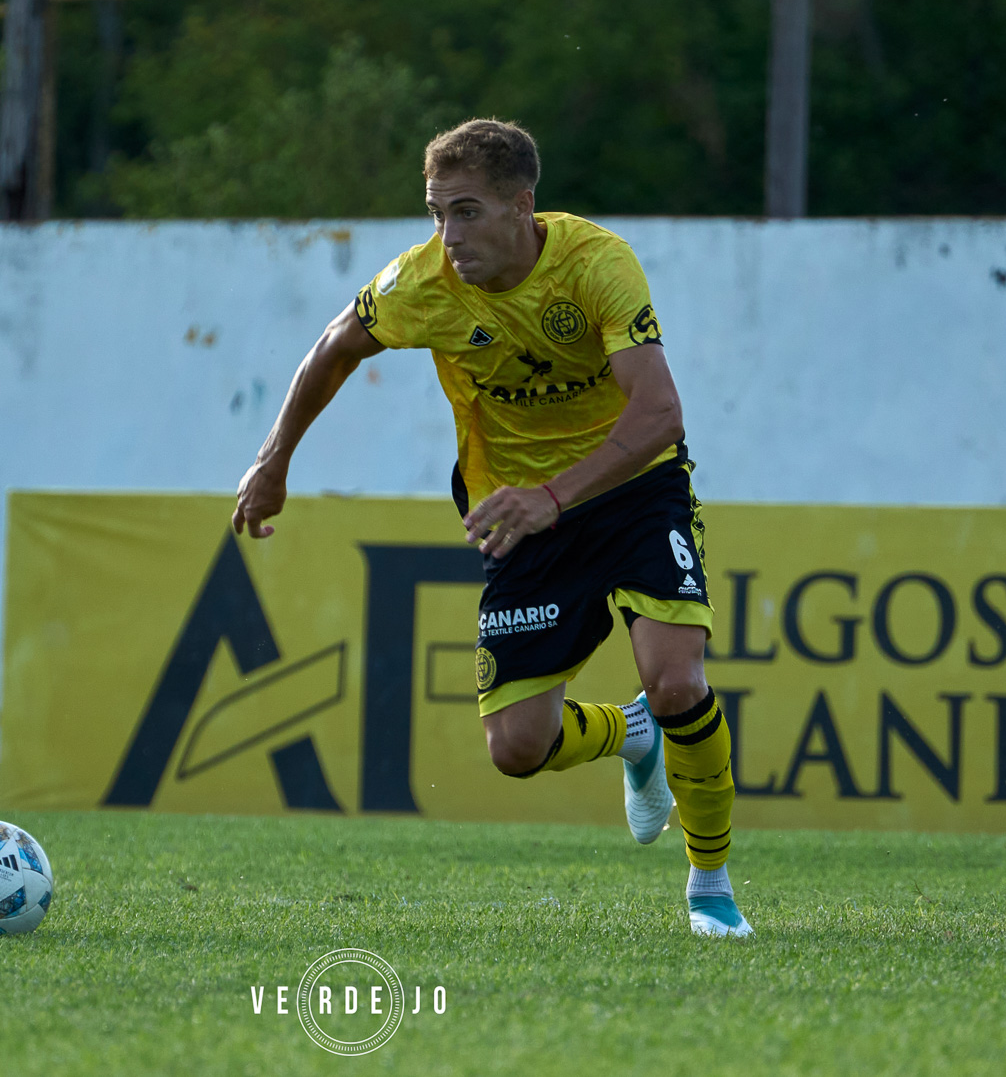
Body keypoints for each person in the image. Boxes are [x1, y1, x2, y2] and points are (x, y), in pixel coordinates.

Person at [232, 119, 749, 937]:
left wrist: (555, 493)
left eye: (467, 212)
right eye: (437, 214)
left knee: (678, 679)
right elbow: (336, 345)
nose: (450, 235)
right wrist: (273, 460)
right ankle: (629, 735)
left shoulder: (595, 263)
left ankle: (711, 885)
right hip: (517, 509)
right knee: (516, 749)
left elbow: (659, 412)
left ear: (522, 206)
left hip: (632, 486)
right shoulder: (423, 282)